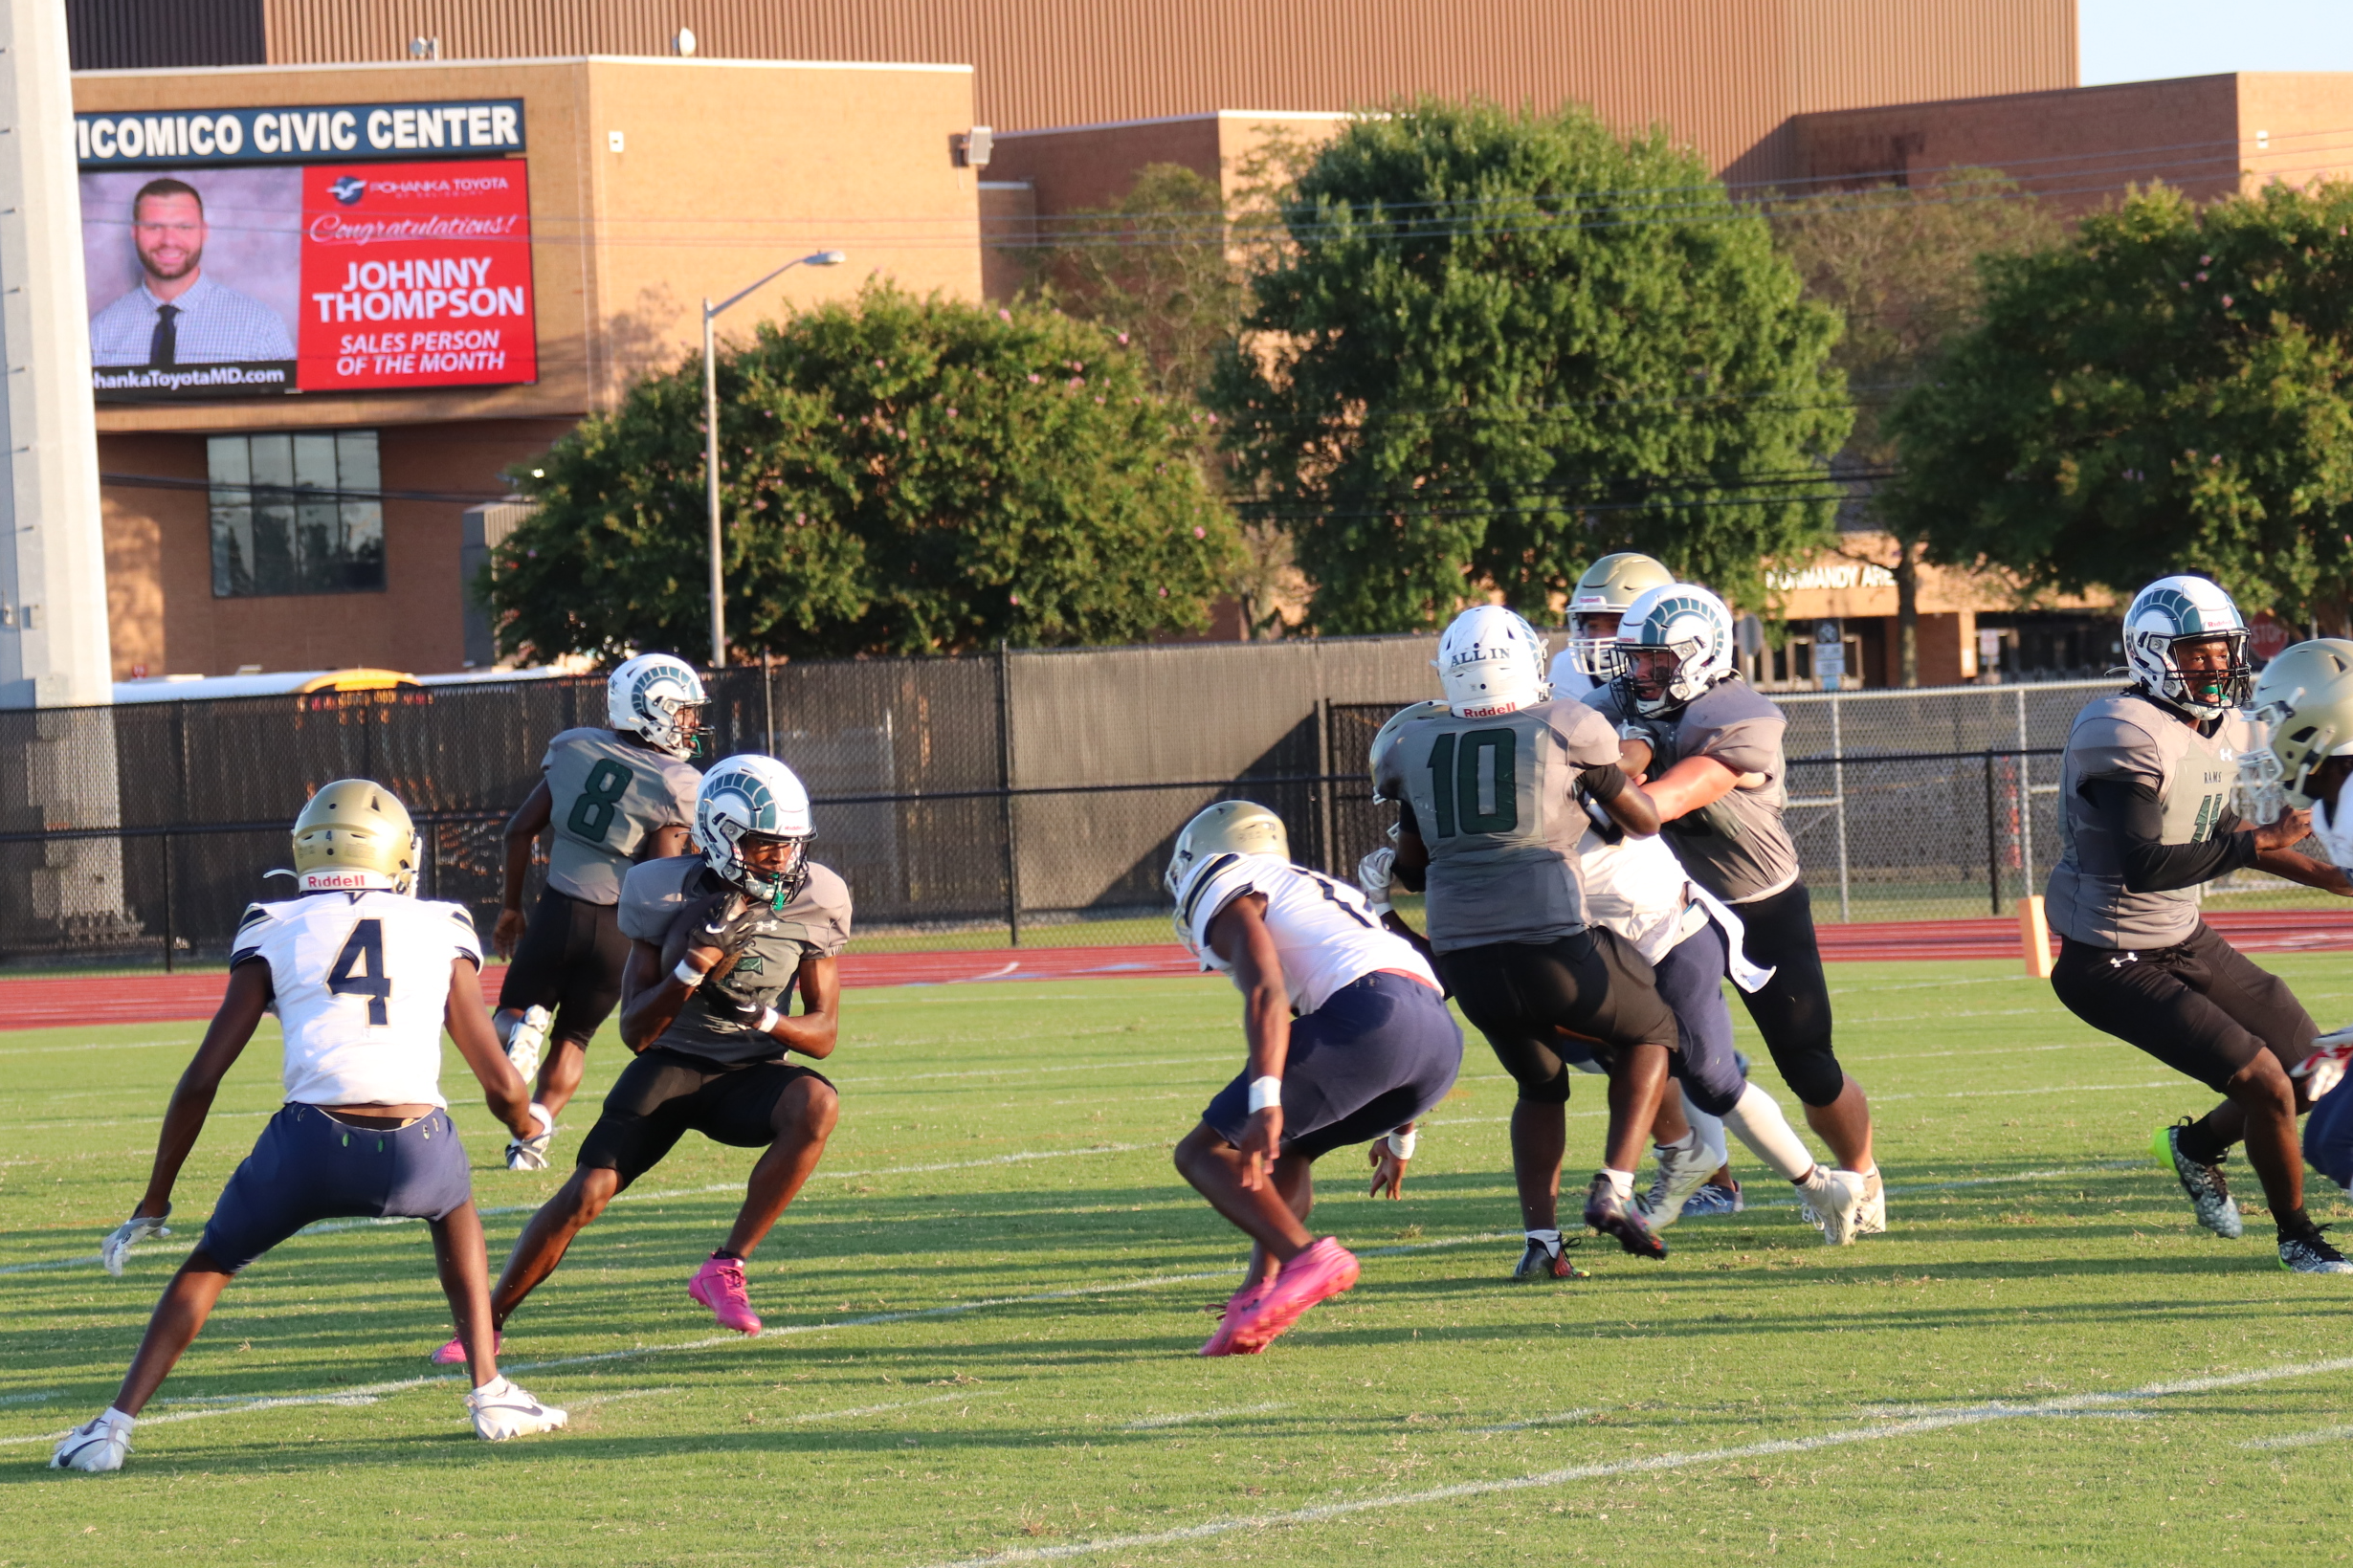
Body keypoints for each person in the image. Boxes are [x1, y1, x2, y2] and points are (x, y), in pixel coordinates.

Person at [53, 781, 565, 1472]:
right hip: (420, 1149)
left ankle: (112, 1428)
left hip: (311, 1146)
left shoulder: (272, 922)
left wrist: (155, 1196)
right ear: (393, 852)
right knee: (456, 1210)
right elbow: (500, 1082)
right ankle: (488, 1388)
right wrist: (527, 1120)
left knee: (211, 1261)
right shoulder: (442, 925)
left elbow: (204, 1075)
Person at [1361, 690, 1859, 1248]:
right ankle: (1680, 1157)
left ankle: (1818, 1186)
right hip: (1595, 939)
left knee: (1711, 1077)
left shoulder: (1528, 792)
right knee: (1595, 1045)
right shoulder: (1499, 801)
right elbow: (1450, 976)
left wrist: (1634, 751)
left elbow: (1444, 976)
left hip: (1663, 925)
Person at [434, 755, 852, 1358]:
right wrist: (690, 971)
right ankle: (486, 1324)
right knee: (585, 1194)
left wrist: (762, 1017)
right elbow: (636, 1031)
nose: (783, 860)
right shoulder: (662, 887)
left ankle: (725, 1267)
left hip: (751, 1072)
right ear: (722, 835)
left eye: (791, 846)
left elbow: (824, 1032)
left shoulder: (818, 896)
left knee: (816, 1103)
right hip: (672, 1065)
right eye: (766, 847)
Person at [1370, 604, 1681, 1267]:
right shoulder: (1568, 724)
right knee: (1653, 1030)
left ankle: (1541, 1245)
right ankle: (1614, 1188)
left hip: (1465, 957)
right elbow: (1643, 820)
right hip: (1549, 938)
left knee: (1538, 1085)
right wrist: (1617, 769)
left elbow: (1413, 871)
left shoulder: (1414, 741)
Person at [1585, 582, 1888, 1237]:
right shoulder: (1615, 700)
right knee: (1632, 1040)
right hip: (1666, 907)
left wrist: (1613, 765)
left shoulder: (1738, 714)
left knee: (1808, 1063)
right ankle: (1691, 1160)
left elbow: (1653, 808)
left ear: (1698, 656)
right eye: (1634, 659)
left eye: (1655, 661)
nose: (1638, 673)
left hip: (1756, 904)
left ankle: (1860, 1176)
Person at [1167, 802, 1464, 1355]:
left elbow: (1266, 992)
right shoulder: (1321, 892)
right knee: (1292, 1150)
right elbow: (1408, 994)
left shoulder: (1229, 875)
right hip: (1437, 1043)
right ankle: (1260, 1292)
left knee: (1203, 1153)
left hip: (1373, 1016)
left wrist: (1265, 1101)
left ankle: (1308, 1259)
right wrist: (1402, 1133)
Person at [2114, 625, 2353, 1271]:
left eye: (2280, 718)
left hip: (2169, 935)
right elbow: (2202, 838)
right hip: (2126, 945)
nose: (2269, 733)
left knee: (2323, 1112)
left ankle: (2197, 1148)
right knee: (2317, 1118)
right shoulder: (2128, 735)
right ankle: (2229, 1176)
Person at [491, 651, 707, 1171]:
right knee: (575, 1039)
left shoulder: (574, 747)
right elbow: (661, 873)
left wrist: (510, 908)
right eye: (682, 712)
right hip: (619, 929)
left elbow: (520, 830)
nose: (691, 723)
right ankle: (533, 1137)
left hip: (558, 909)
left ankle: (526, 1029)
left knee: (507, 1019)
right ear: (649, 710)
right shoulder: (678, 783)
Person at [88, 178, 297, 367]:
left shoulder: (260, 327)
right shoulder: (100, 333)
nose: (169, 241)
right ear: (134, 232)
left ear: (203, 232)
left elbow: (292, 410)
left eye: (184, 227)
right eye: (154, 227)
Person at [1549, 551, 1676, 701]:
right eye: (1593, 626)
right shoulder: (1566, 669)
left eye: (1616, 626)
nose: (1600, 639)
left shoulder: (1683, 671)